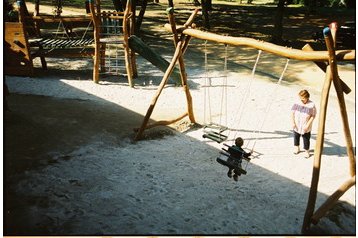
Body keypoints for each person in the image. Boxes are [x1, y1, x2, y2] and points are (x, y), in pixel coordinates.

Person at [291, 90, 316, 158]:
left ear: (307, 97)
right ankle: (297, 148)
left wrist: (307, 125)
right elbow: (292, 113)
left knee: (306, 138)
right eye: (300, 98)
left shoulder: (311, 105)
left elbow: (313, 116)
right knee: (296, 137)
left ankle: (306, 151)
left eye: (303, 98)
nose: (301, 100)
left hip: (305, 125)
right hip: (297, 124)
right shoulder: (297, 102)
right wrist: (293, 122)